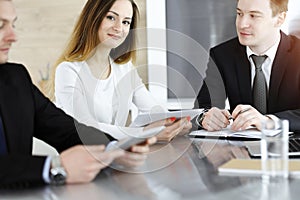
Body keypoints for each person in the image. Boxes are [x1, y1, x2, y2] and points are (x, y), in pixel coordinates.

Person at [0, 0, 156, 188]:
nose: (13, 36)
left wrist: (114, 148)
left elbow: (63, 128)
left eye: (13, 24)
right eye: (1, 25)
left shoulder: (16, 78)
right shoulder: (69, 70)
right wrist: (53, 166)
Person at [46, 0, 191, 142]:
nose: (119, 28)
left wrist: (175, 123)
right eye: (111, 17)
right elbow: (85, 126)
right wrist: (143, 133)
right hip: (83, 159)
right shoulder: (68, 70)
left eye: (126, 22)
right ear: (93, 18)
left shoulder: (125, 68)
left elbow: (152, 110)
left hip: (116, 155)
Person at [195, 0, 300, 132]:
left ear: (280, 19)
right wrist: (205, 117)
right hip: (239, 149)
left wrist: (269, 121)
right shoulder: (222, 55)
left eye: (253, 15)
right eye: (239, 14)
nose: (242, 24)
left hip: (291, 148)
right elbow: (201, 107)